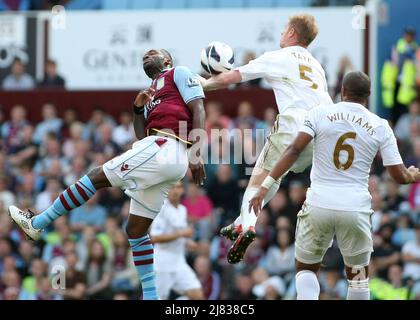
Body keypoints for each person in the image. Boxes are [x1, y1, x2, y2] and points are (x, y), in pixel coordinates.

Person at [8, 48, 206, 300]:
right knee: (135, 230)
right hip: (162, 155)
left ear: (166, 60)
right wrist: (137, 109)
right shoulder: (151, 93)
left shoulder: (179, 72)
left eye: (152, 53)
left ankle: (37, 223)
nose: (145, 56)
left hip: (166, 148)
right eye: (143, 54)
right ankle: (151, 297)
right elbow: (141, 135)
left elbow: (199, 109)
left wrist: (197, 154)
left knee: (96, 175)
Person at [249, 71, 420, 300]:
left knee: (306, 268)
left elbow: (293, 150)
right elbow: (398, 176)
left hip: (320, 203)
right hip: (355, 208)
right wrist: (411, 175)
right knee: (358, 278)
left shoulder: (319, 113)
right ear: (368, 95)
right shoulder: (380, 126)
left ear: (342, 92)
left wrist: (265, 185)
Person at [200, 14, 332, 264]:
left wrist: (202, 84)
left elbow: (232, 77)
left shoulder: (279, 57)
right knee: (275, 176)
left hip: (294, 124)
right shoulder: (317, 67)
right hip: (320, 133)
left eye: (284, 29)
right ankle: (240, 222)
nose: (281, 33)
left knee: (257, 178)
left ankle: (247, 226)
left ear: (292, 32)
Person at [150, 182, 204, 300]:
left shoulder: (182, 210)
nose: (175, 191)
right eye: (171, 187)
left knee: (197, 295)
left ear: (182, 191)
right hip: (162, 263)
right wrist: (181, 234)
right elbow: (155, 237)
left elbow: (179, 234)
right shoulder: (161, 208)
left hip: (178, 262)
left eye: (178, 187)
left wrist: (187, 242)